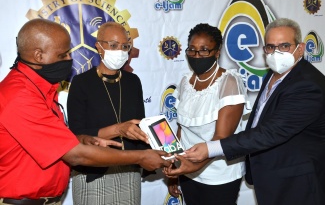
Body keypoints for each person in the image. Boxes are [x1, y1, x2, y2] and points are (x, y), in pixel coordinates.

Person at [0, 18, 171, 205]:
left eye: (125, 46)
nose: (69, 60)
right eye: (63, 54)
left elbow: (57, 141)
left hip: (51, 197)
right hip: (28, 198)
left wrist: (83, 140)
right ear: (39, 55)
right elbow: (76, 154)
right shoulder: (20, 95)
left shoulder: (42, 90)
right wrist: (140, 157)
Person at [165, 18, 325, 205]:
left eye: (284, 46)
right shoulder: (274, 75)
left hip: (295, 181)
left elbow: (270, 132)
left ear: (300, 48)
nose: (276, 53)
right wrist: (177, 163)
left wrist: (207, 151)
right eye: (270, 47)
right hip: (267, 176)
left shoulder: (307, 85)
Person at [67, 22, 151, 204]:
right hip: (93, 171)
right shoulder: (81, 83)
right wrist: (118, 129)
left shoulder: (133, 81)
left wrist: (153, 157)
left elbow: (141, 126)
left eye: (125, 46)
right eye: (113, 45)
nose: (120, 51)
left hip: (129, 168)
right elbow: (76, 135)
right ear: (99, 46)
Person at [166, 23, 249, 205]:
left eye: (204, 50)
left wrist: (192, 166)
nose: (197, 56)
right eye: (192, 50)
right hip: (188, 171)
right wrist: (175, 166)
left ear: (217, 52)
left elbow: (221, 138)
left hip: (219, 174)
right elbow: (181, 130)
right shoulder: (185, 82)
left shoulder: (229, 82)